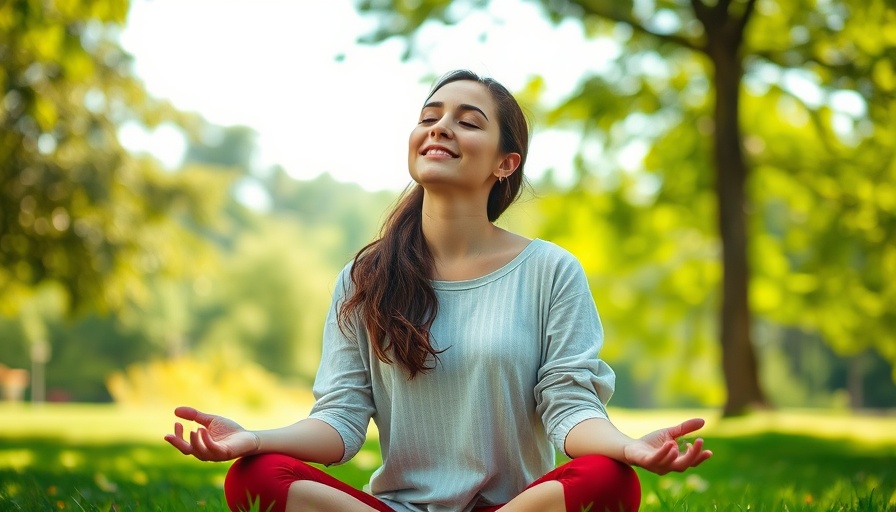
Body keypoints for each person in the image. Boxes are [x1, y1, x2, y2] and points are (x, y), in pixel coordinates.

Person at [165, 69, 712, 512]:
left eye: (467, 122)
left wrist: (629, 447)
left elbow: (569, 408)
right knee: (253, 478)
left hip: (515, 507)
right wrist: (254, 440)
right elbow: (341, 421)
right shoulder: (365, 279)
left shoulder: (550, 270)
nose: (440, 128)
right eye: (429, 117)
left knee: (610, 481)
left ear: (505, 163)